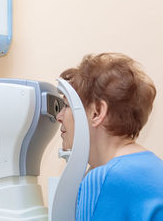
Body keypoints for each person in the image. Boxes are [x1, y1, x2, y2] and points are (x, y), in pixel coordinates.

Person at [56, 52, 163, 221]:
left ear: (97, 112)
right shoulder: (155, 167)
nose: (59, 116)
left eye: (67, 105)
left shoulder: (104, 179)